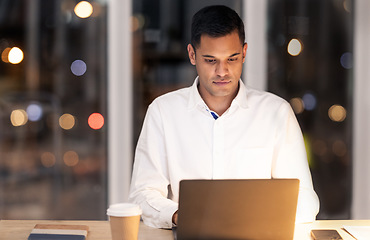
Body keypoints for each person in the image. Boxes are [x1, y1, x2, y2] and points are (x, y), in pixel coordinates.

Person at [129, 5, 319, 229]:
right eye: (211, 60)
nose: (222, 71)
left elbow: (305, 201)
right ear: (192, 55)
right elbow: (142, 194)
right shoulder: (163, 112)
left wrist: (248, 217)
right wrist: (182, 215)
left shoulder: (276, 113)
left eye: (232, 59)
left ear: (245, 53)